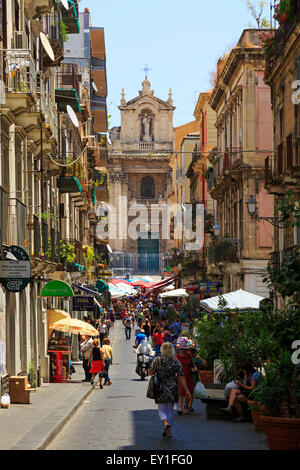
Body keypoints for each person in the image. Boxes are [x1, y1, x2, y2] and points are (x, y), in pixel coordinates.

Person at [149, 342, 192, 439]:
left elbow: (151, 372)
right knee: (170, 410)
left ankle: (165, 423)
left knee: (161, 408)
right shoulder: (176, 362)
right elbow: (181, 377)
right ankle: (168, 432)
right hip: (173, 387)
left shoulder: (157, 360)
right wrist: (187, 390)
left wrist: (151, 371)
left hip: (160, 387)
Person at [175, 339, 195, 415]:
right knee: (181, 391)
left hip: (188, 374)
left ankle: (186, 407)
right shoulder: (176, 356)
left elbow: (192, 364)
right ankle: (180, 408)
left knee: (188, 391)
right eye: (182, 349)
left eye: (184, 349)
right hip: (180, 375)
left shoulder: (189, 355)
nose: (183, 351)